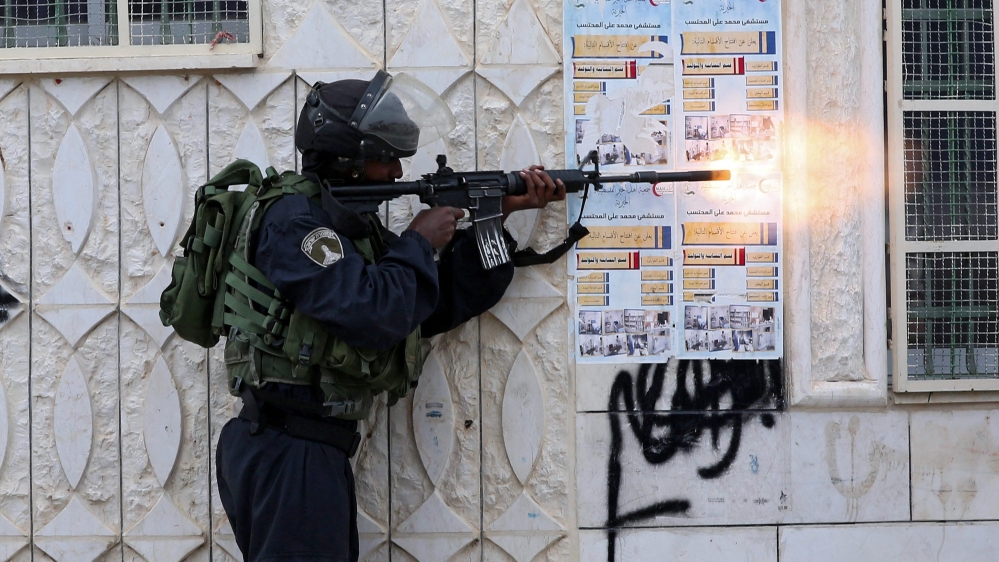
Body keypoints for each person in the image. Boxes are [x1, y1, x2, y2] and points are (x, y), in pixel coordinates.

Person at [214, 70, 564, 562]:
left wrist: (495, 216)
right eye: (384, 160)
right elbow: (370, 311)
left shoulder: (343, 227)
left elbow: (425, 306)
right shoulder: (294, 222)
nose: (398, 174)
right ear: (347, 158)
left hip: (308, 451)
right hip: (287, 451)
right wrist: (419, 240)